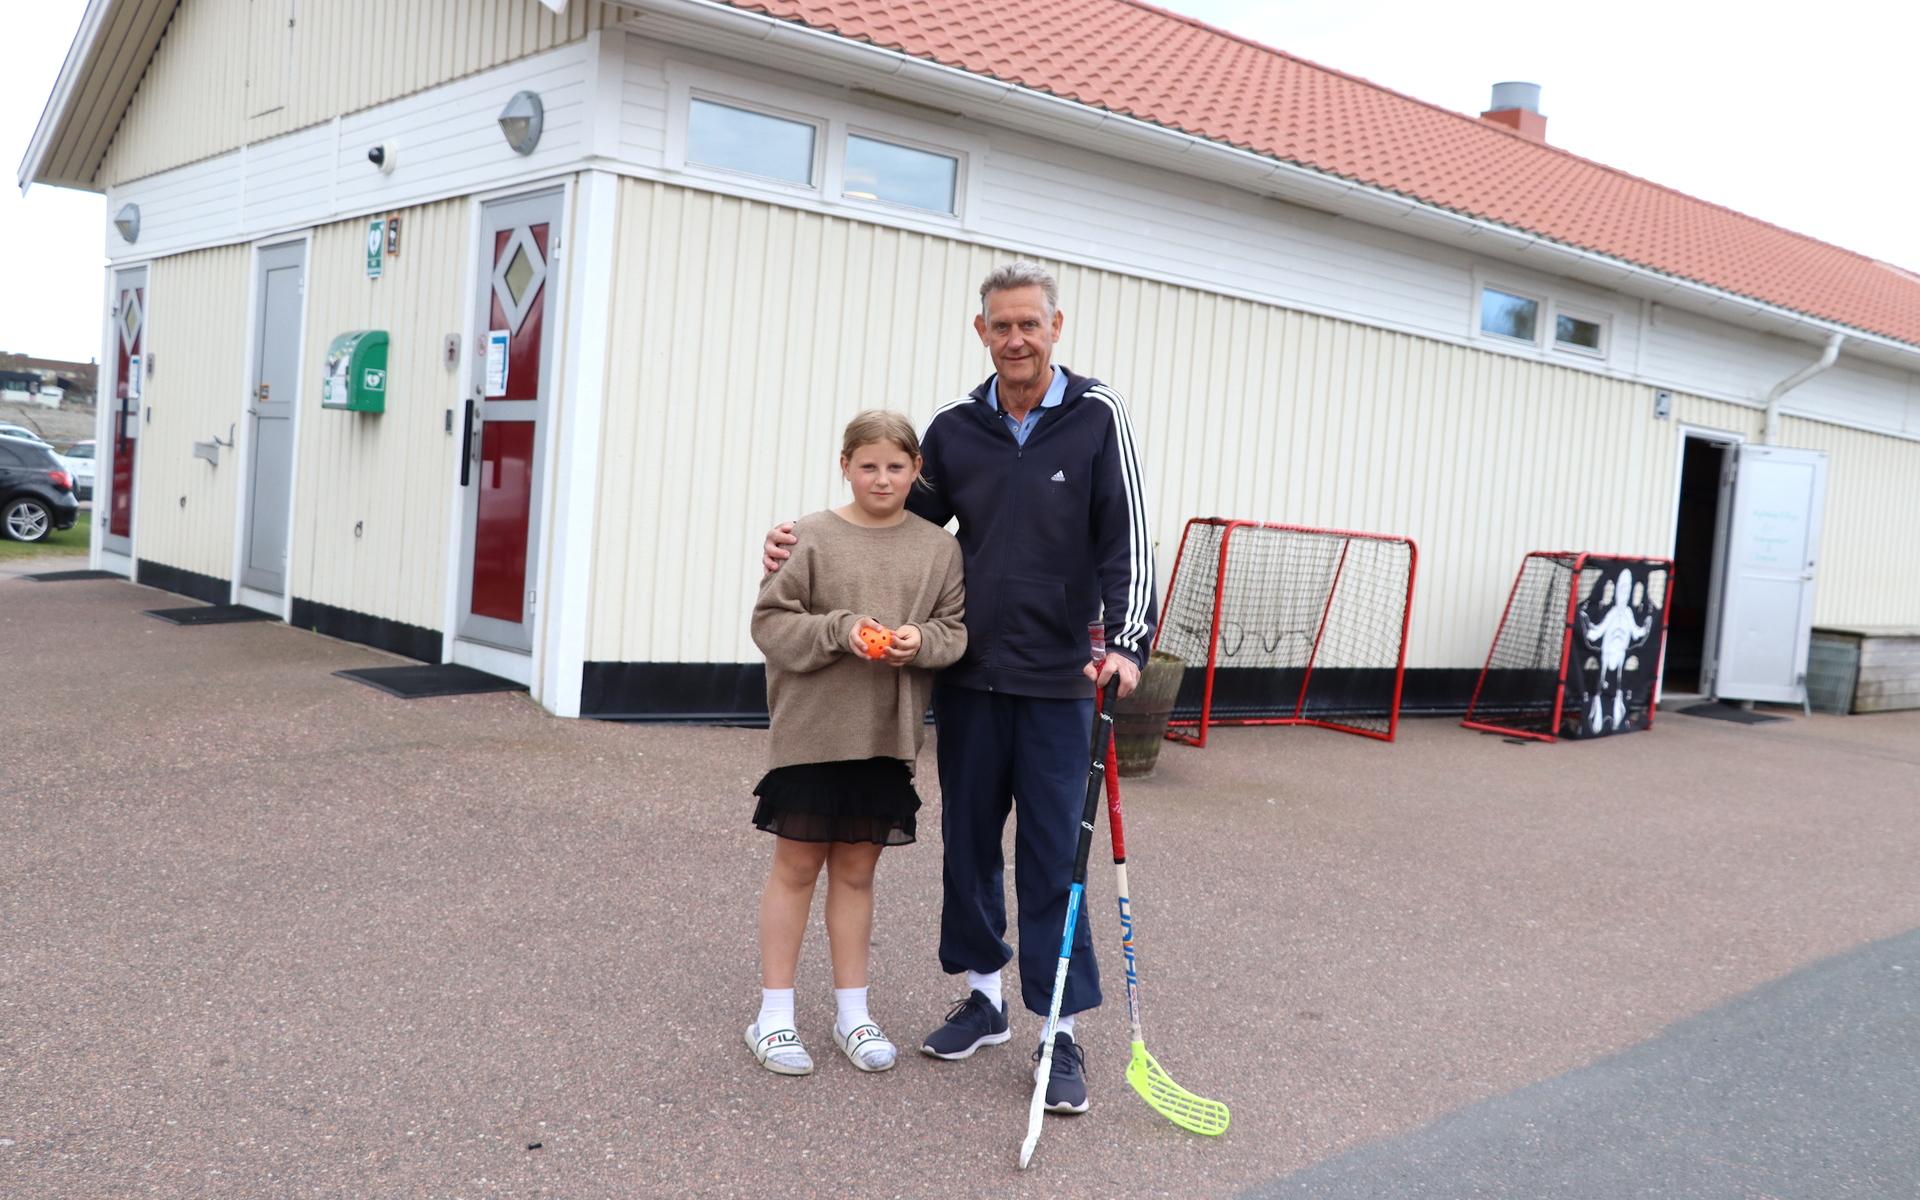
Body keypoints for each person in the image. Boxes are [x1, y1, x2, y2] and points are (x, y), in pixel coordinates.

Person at [763, 262, 1156, 1114]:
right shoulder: (955, 427)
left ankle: (1059, 1032)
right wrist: (798, 546)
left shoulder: (1096, 416)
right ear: (981, 332)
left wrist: (1126, 643)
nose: (1017, 338)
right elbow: (898, 520)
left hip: (1058, 678)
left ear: (1057, 327)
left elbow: (1129, 534)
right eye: (1001, 326)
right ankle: (983, 996)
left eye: (1030, 324)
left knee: (1053, 854)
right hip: (969, 676)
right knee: (969, 843)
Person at [746, 410, 967, 1076]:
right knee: (795, 867)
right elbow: (770, 623)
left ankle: (853, 1013)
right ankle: (774, 1016)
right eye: (867, 465)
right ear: (844, 465)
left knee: (856, 872)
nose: (882, 477)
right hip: (812, 731)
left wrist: (919, 642)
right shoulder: (807, 537)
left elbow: (953, 631)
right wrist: (841, 630)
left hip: (884, 736)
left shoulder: (939, 549)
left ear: (917, 471)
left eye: (896, 466)